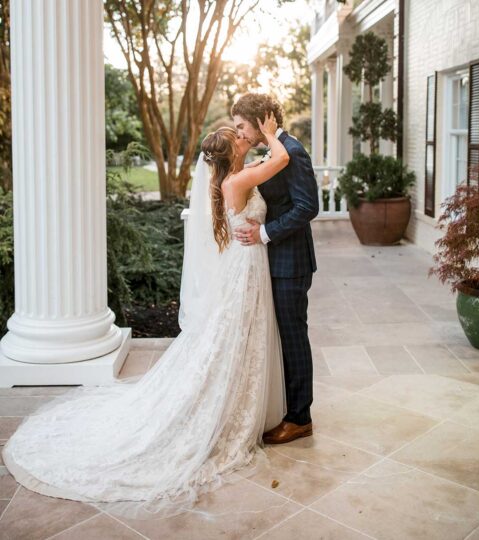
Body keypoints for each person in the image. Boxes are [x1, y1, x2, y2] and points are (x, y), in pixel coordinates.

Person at [1, 114, 290, 521]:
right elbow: (278, 160)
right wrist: (273, 133)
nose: (246, 138)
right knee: (234, 337)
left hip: (245, 267)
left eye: (245, 134)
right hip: (245, 269)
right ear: (230, 154)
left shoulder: (230, 177)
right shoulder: (237, 181)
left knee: (239, 337)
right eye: (240, 138)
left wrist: (248, 135)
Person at [232, 93, 319, 444]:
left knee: (293, 338)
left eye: (242, 125)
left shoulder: (293, 151)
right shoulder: (273, 150)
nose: (240, 133)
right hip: (275, 260)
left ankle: (300, 417)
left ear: (262, 119)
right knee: (281, 338)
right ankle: (287, 405)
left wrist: (264, 233)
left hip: (291, 263)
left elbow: (307, 207)